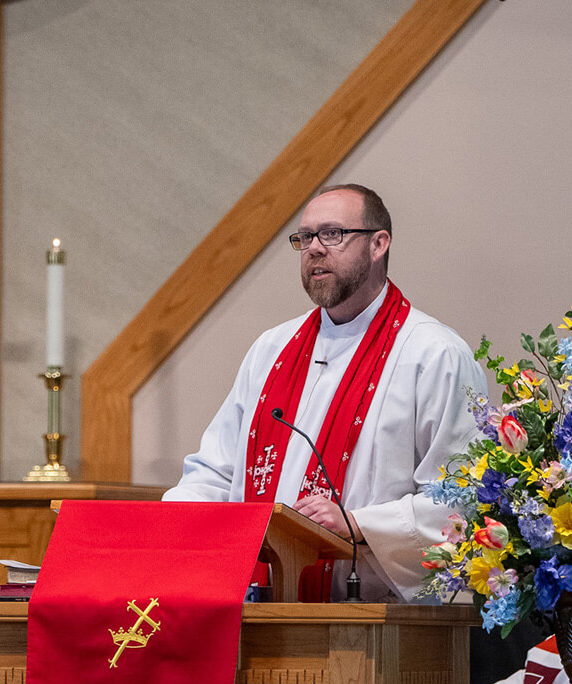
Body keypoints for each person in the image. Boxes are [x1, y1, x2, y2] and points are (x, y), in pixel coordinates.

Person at [162, 184, 486, 601]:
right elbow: (216, 473)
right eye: (305, 238)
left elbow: (460, 504)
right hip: (255, 609)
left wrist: (356, 525)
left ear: (378, 244)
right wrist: (170, 522)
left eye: (332, 234)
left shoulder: (433, 353)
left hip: (373, 622)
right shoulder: (272, 349)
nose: (314, 249)